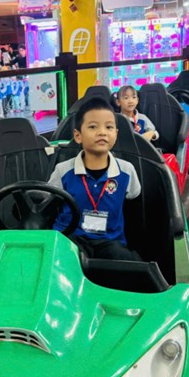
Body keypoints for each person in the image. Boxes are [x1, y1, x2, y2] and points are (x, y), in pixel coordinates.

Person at [48, 97, 142, 261]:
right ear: (78, 136)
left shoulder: (126, 171)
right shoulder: (63, 170)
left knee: (127, 260)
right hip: (71, 239)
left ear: (116, 134)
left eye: (109, 127)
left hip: (110, 241)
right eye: (93, 127)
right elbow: (48, 202)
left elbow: (133, 202)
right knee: (62, 256)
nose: (102, 132)